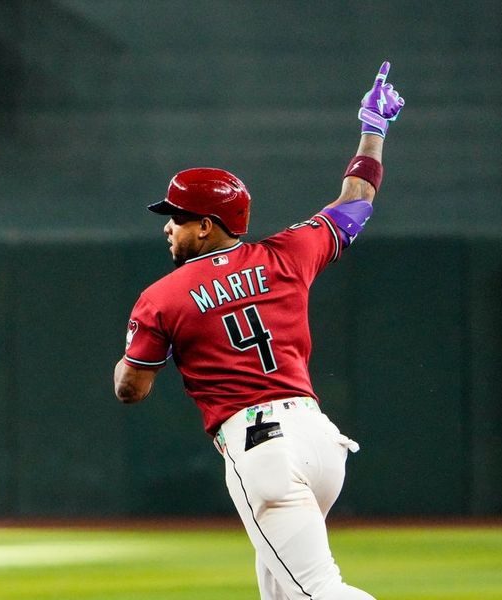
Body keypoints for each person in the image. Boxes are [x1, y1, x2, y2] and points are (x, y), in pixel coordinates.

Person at [114, 61, 405, 600]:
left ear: (206, 225)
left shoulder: (164, 296)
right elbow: (357, 202)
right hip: (318, 442)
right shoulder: (288, 254)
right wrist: (374, 130)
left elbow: (131, 390)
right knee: (282, 594)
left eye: (176, 217)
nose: (167, 226)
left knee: (318, 591)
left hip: (261, 447)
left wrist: (136, 349)